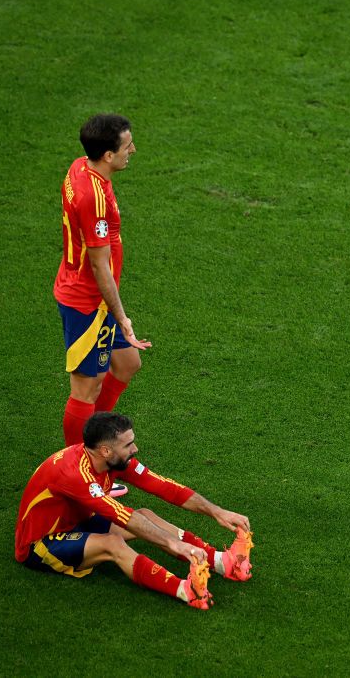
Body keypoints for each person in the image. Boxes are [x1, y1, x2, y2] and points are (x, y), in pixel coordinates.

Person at [14, 412, 254, 610]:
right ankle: (186, 591)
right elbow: (122, 516)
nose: (135, 448)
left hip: (77, 521)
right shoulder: (74, 474)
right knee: (113, 543)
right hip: (41, 543)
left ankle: (222, 562)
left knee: (146, 515)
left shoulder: (112, 460)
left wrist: (217, 511)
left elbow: (164, 487)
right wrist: (174, 544)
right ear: (106, 451)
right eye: (128, 444)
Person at [54, 114, 151, 495]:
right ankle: (80, 471)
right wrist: (121, 316)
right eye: (127, 146)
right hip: (87, 303)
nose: (133, 150)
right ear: (108, 154)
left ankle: (98, 442)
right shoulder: (93, 198)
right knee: (85, 388)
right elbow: (99, 265)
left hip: (95, 299)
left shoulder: (83, 166)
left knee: (128, 363)